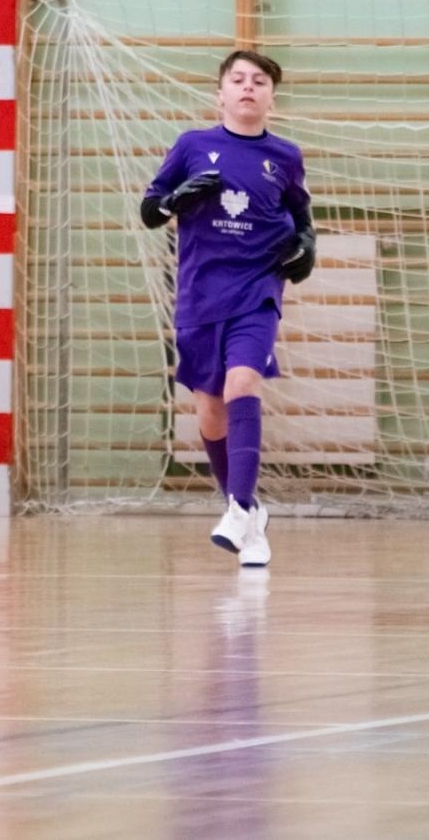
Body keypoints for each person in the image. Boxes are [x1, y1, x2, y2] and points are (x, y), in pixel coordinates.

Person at [140, 50, 314, 567]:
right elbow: (151, 210)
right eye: (237, 79)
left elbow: (302, 217)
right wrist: (177, 199)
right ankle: (249, 517)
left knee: (242, 383)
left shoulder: (285, 156)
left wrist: (307, 246)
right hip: (200, 293)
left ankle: (238, 509)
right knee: (210, 414)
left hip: (257, 289)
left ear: (272, 98)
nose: (248, 87)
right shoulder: (192, 146)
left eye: (259, 81)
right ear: (220, 94)